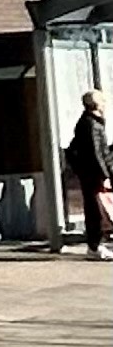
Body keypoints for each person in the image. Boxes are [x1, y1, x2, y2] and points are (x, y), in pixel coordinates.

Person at [63, 88, 113, 256]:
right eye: (103, 101)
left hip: (91, 173)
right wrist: (105, 175)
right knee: (96, 210)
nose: (105, 104)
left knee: (95, 209)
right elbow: (96, 153)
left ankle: (95, 244)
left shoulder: (91, 122)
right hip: (94, 175)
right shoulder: (91, 124)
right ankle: (95, 245)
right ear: (96, 104)